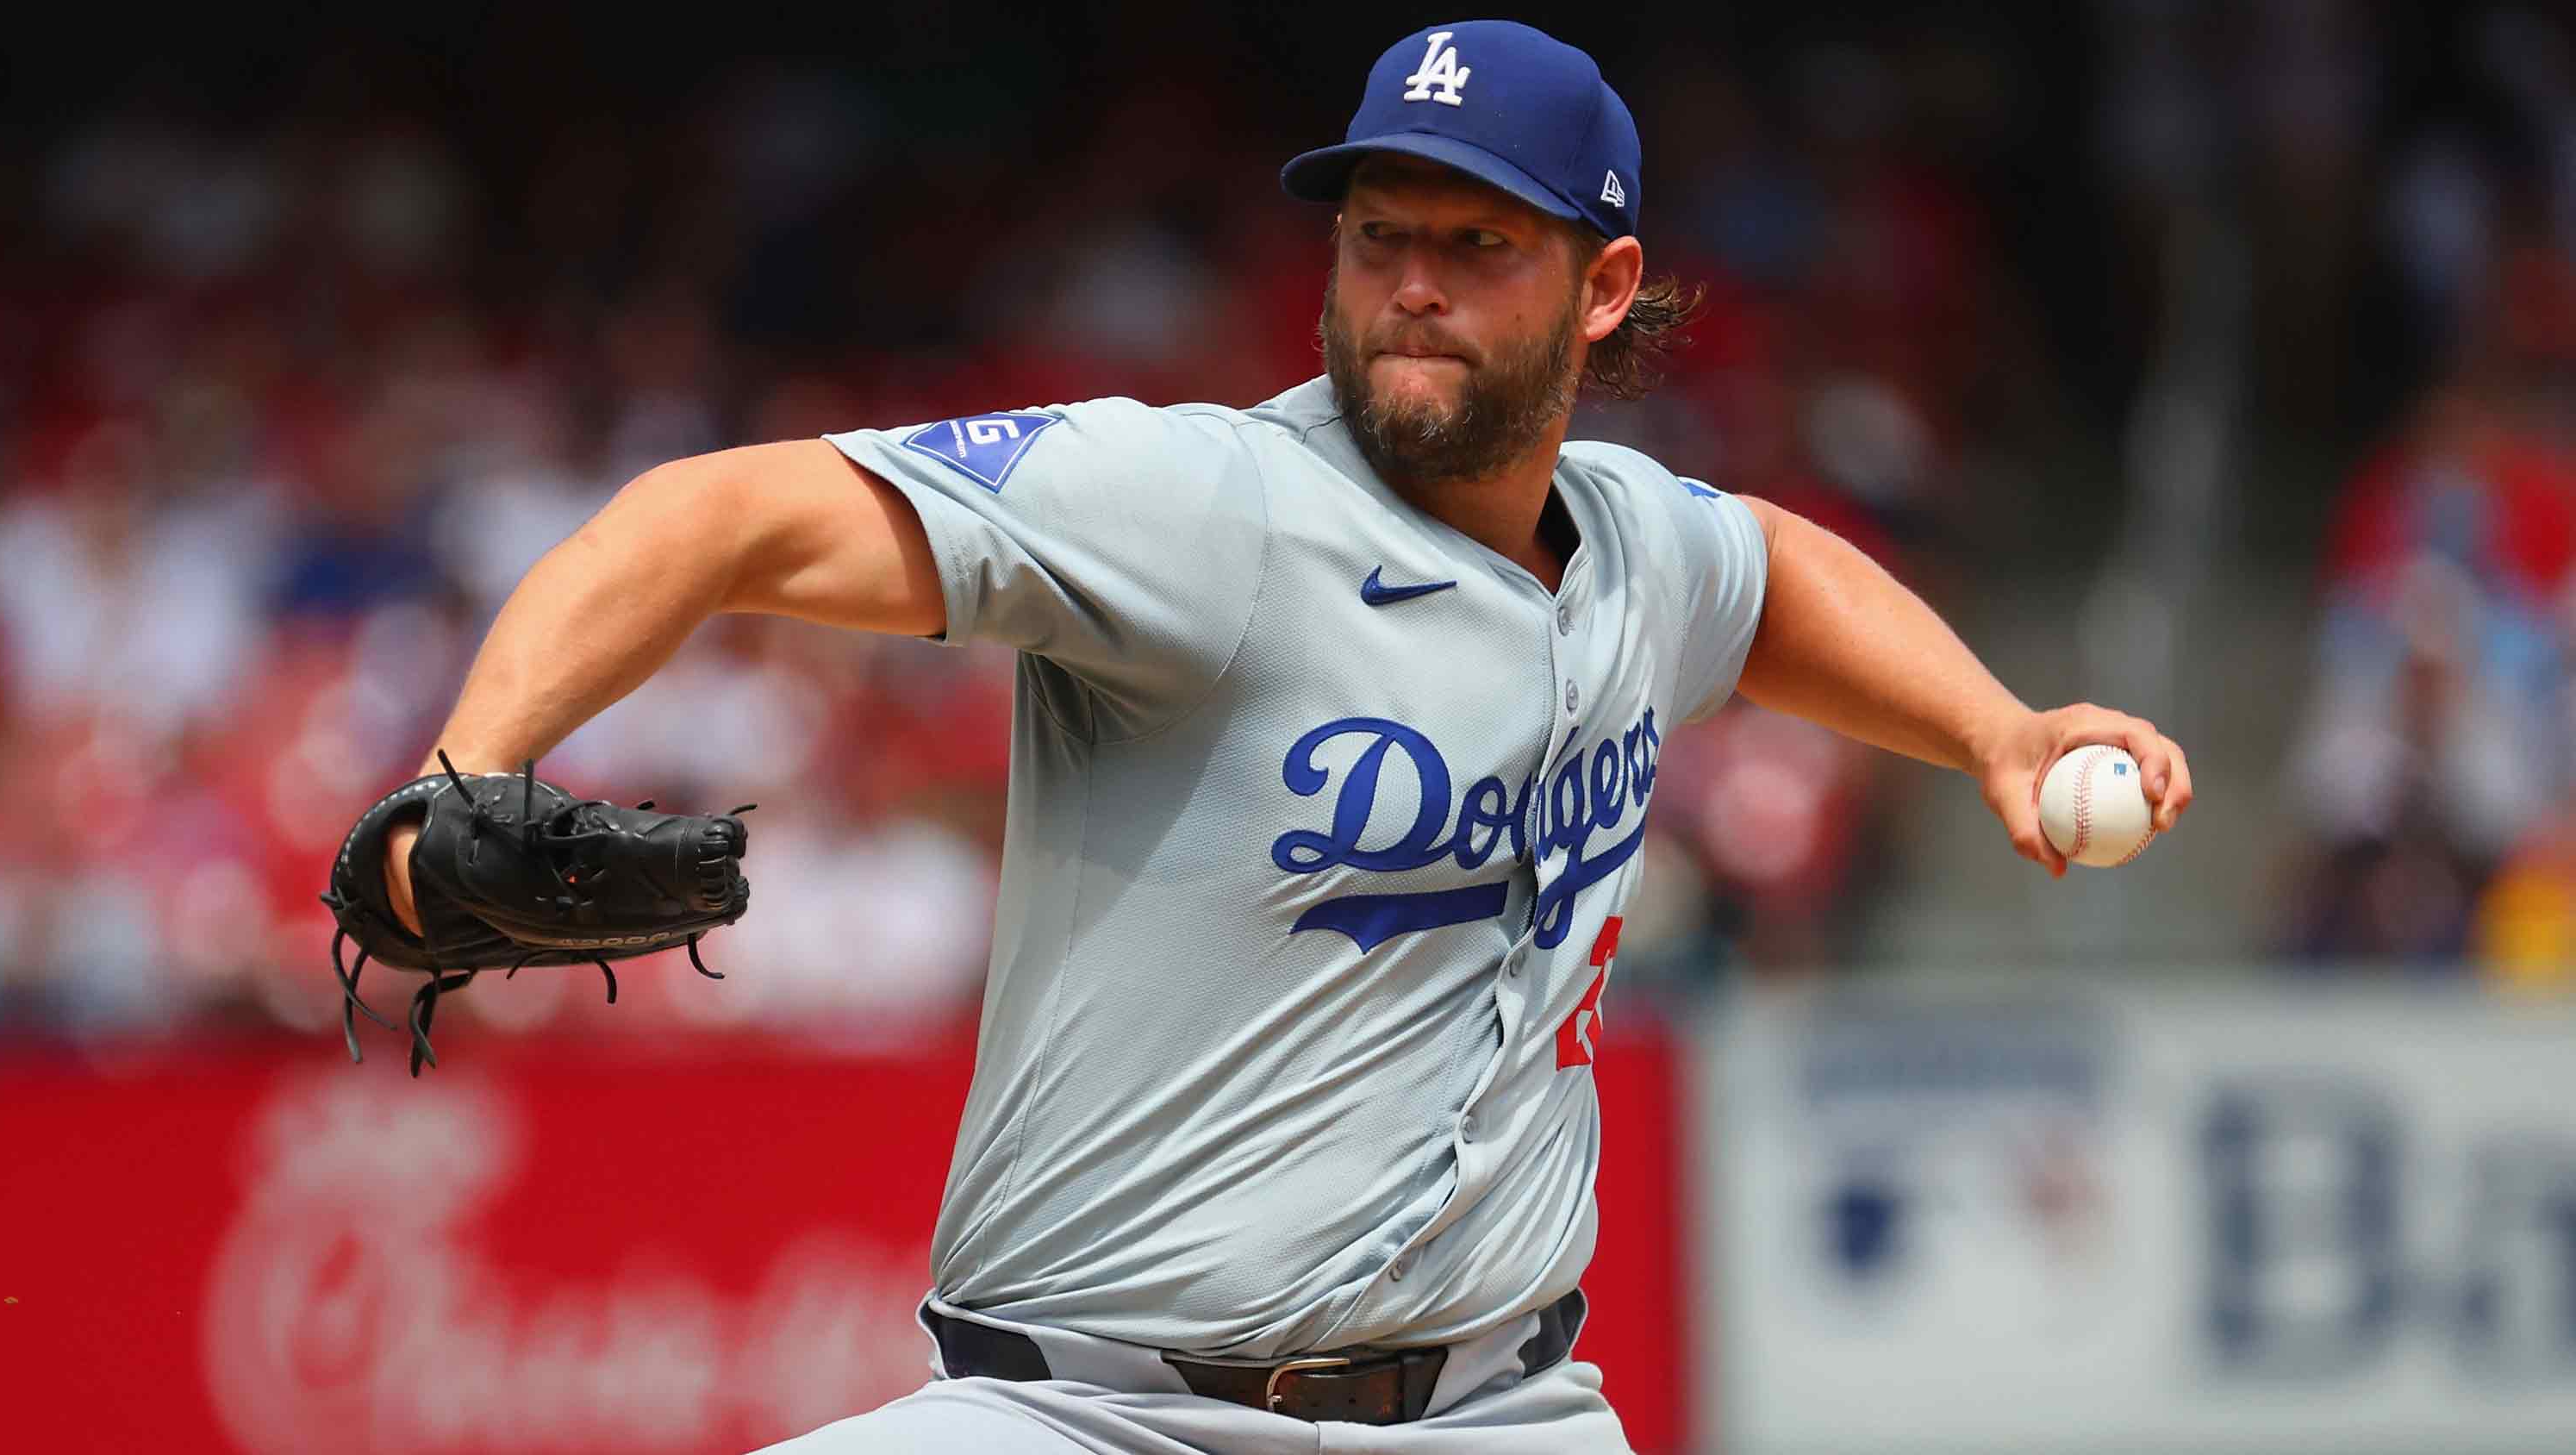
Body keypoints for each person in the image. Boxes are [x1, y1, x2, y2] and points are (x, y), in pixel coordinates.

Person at [375, 21, 2193, 1452]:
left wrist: (1998, 728)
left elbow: (1771, 574)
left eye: (1476, 246)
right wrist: (463, 772)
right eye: (1379, 234)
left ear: (1605, 287)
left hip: (1504, 1409)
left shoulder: (1637, 542)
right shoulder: (1199, 506)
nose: (1411, 284)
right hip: (1088, 1409)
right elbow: (716, 516)